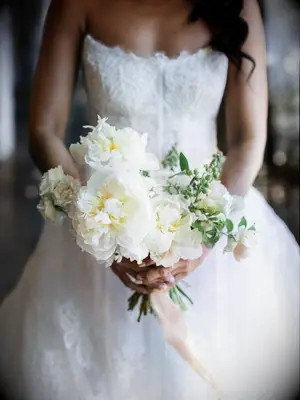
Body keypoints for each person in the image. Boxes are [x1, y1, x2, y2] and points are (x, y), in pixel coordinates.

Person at [0, 0, 299, 399]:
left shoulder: (238, 5)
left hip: (208, 222)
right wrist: (98, 228)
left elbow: (248, 140)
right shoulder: (75, 3)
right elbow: (44, 130)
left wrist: (204, 235)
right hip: (99, 226)